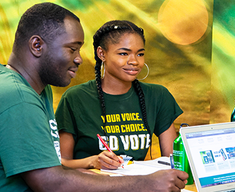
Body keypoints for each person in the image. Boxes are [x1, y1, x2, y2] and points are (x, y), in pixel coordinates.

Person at [0, 3, 188, 191]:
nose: (79, 58)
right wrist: (144, 185)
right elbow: (51, 183)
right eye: (72, 48)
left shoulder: (32, 88)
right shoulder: (16, 97)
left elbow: (52, 170)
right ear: (37, 45)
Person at [55, 20, 182, 170]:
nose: (134, 61)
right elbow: (60, 163)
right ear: (102, 54)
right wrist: (93, 161)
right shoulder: (75, 98)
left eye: (140, 54)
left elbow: (174, 162)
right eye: (124, 53)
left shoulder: (158, 96)